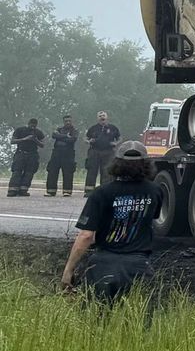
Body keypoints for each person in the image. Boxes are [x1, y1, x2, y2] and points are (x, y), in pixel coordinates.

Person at [61, 139, 163, 312]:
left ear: (117, 163)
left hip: (103, 264)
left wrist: (68, 270)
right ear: (146, 164)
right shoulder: (155, 191)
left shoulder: (102, 193)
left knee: (95, 317)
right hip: (139, 265)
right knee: (137, 319)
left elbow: (86, 236)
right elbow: (151, 217)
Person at [84, 111, 120, 191]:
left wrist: (116, 143)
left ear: (106, 117)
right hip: (94, 151)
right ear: (97, 118)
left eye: (103, 115)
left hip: (108, 152)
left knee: (107, 172)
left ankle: (105, 190)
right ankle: (89, 191)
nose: (102, 117)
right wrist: (89, 141)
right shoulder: (93, 128)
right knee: (92, 171)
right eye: (100, 116)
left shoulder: (113, 128)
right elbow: (85, 138)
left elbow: (119, 138)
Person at [9, 119, 45, 197]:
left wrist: (35, 139)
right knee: (17, 171)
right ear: (28, 124)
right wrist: (25, 139)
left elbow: (42, 145)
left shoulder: (38, 132)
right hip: (21, 153)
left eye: (34, 126)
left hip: (32, 154)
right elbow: (12, 141)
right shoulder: (20, 130)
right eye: (31, 125)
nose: (32, 127)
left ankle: (23, 190)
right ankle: (13, 190)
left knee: (29, 172)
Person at [45, 114, 78, 196]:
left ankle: (67, 191)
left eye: (69, 121)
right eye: (66, 121)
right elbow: (53, 135)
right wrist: (65, 136)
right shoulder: (59, 129)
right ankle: (51, 191)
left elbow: (72, 140)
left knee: (68, 172)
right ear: (63, 122)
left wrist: (59, 136)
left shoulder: (74, 130)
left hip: (68, 153)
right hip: (56, 152)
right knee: (52, 171)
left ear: (72, 121)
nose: (68, 122)